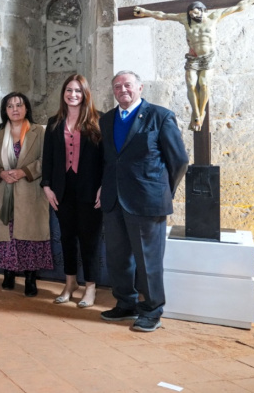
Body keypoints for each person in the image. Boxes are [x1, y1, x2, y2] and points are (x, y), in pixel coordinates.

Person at [99, 70, 188, 332]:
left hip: (147, 202)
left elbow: (179, 160)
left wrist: (162, 191)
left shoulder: (160, 116)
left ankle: (151, 310)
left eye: (127, 85)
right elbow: (109, 160)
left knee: (148, 261)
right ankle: (125, 304)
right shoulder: (107, 120)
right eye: (117, 86)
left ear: (140, 88)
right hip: (114, 200)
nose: (122, 90)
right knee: (118, 258)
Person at [133, 0, 254, 131]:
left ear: (203, 10)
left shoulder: (214, 17)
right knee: (190, 84)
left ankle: (201, 112)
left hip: (208, 57)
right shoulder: (185, 19)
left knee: (203, 84)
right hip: (193, 57)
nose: (192, 14)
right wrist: (146, 12)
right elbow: (163, 15)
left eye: (195, 12)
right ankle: (196, 113)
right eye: (190, 12)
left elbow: (239, 6)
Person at [41, 75, 104, 307]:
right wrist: (47, 186)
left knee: (90, 240)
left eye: (78, 91)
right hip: (62, 190)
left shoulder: (99, 121)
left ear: (85, 94)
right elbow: (47, 158)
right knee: (67, 237)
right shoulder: (54, 122)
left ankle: (90, 287)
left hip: (90, 189)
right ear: (63, 94)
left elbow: (108, 160)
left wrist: (103, 187)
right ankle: (70, 283)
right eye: (69, 90)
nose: (73, 95)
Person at [0, 92, 51, 297]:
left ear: (26, 109)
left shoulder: (39, 131)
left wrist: (25, 171)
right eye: (10, 106)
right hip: (3, 191)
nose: (15, 109)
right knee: (7, 235)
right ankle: (8, 273)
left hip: (29, 191)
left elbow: (47, 159)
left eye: (19, 105)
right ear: (4, 110)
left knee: (29, 237)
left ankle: (31, 278)